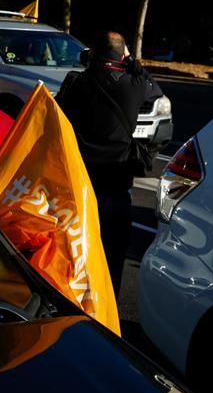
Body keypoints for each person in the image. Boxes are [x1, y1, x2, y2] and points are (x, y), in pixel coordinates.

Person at [55, 31, 150, 299]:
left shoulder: (76, 83)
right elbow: (143, 76)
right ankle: (108, 306)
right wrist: (131, 60)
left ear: (93, 54)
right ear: (123, 55)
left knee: (77, 251)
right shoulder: (136, 84)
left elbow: (59, 118)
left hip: (81, 182)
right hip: (118, 182)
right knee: (113, 255)